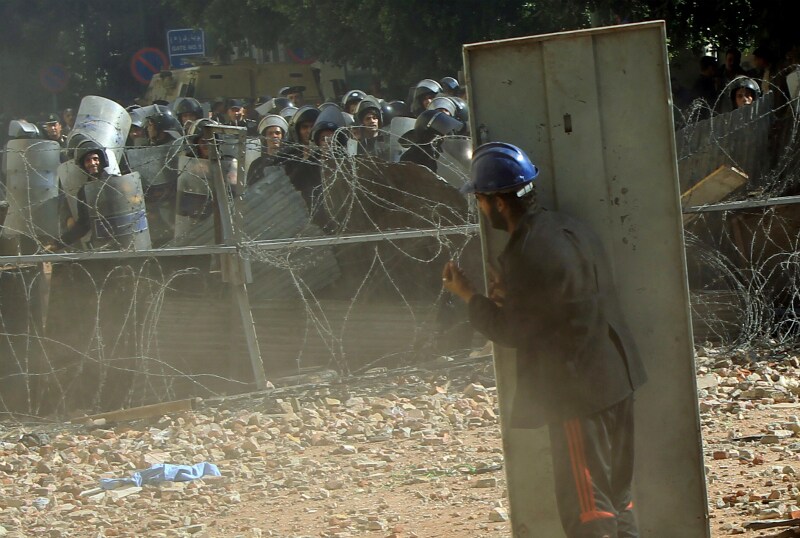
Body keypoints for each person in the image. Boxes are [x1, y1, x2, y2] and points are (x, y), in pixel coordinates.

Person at [442, 142, 647, 538]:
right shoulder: (571, 228)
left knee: (589, 511)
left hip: (578, 392)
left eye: (482, 201)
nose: (482, 210)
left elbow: (512, 332)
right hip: (618, 378)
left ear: (499, 203)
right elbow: (564, 303)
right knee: (619, 501)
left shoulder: (525, 252)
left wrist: (469, 297)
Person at [247, 114, 289, 185]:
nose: (274, 136)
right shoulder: (257, 164)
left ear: (282, 137)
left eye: (277, 133)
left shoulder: (289, 162)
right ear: (265, 138)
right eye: (270, 133)